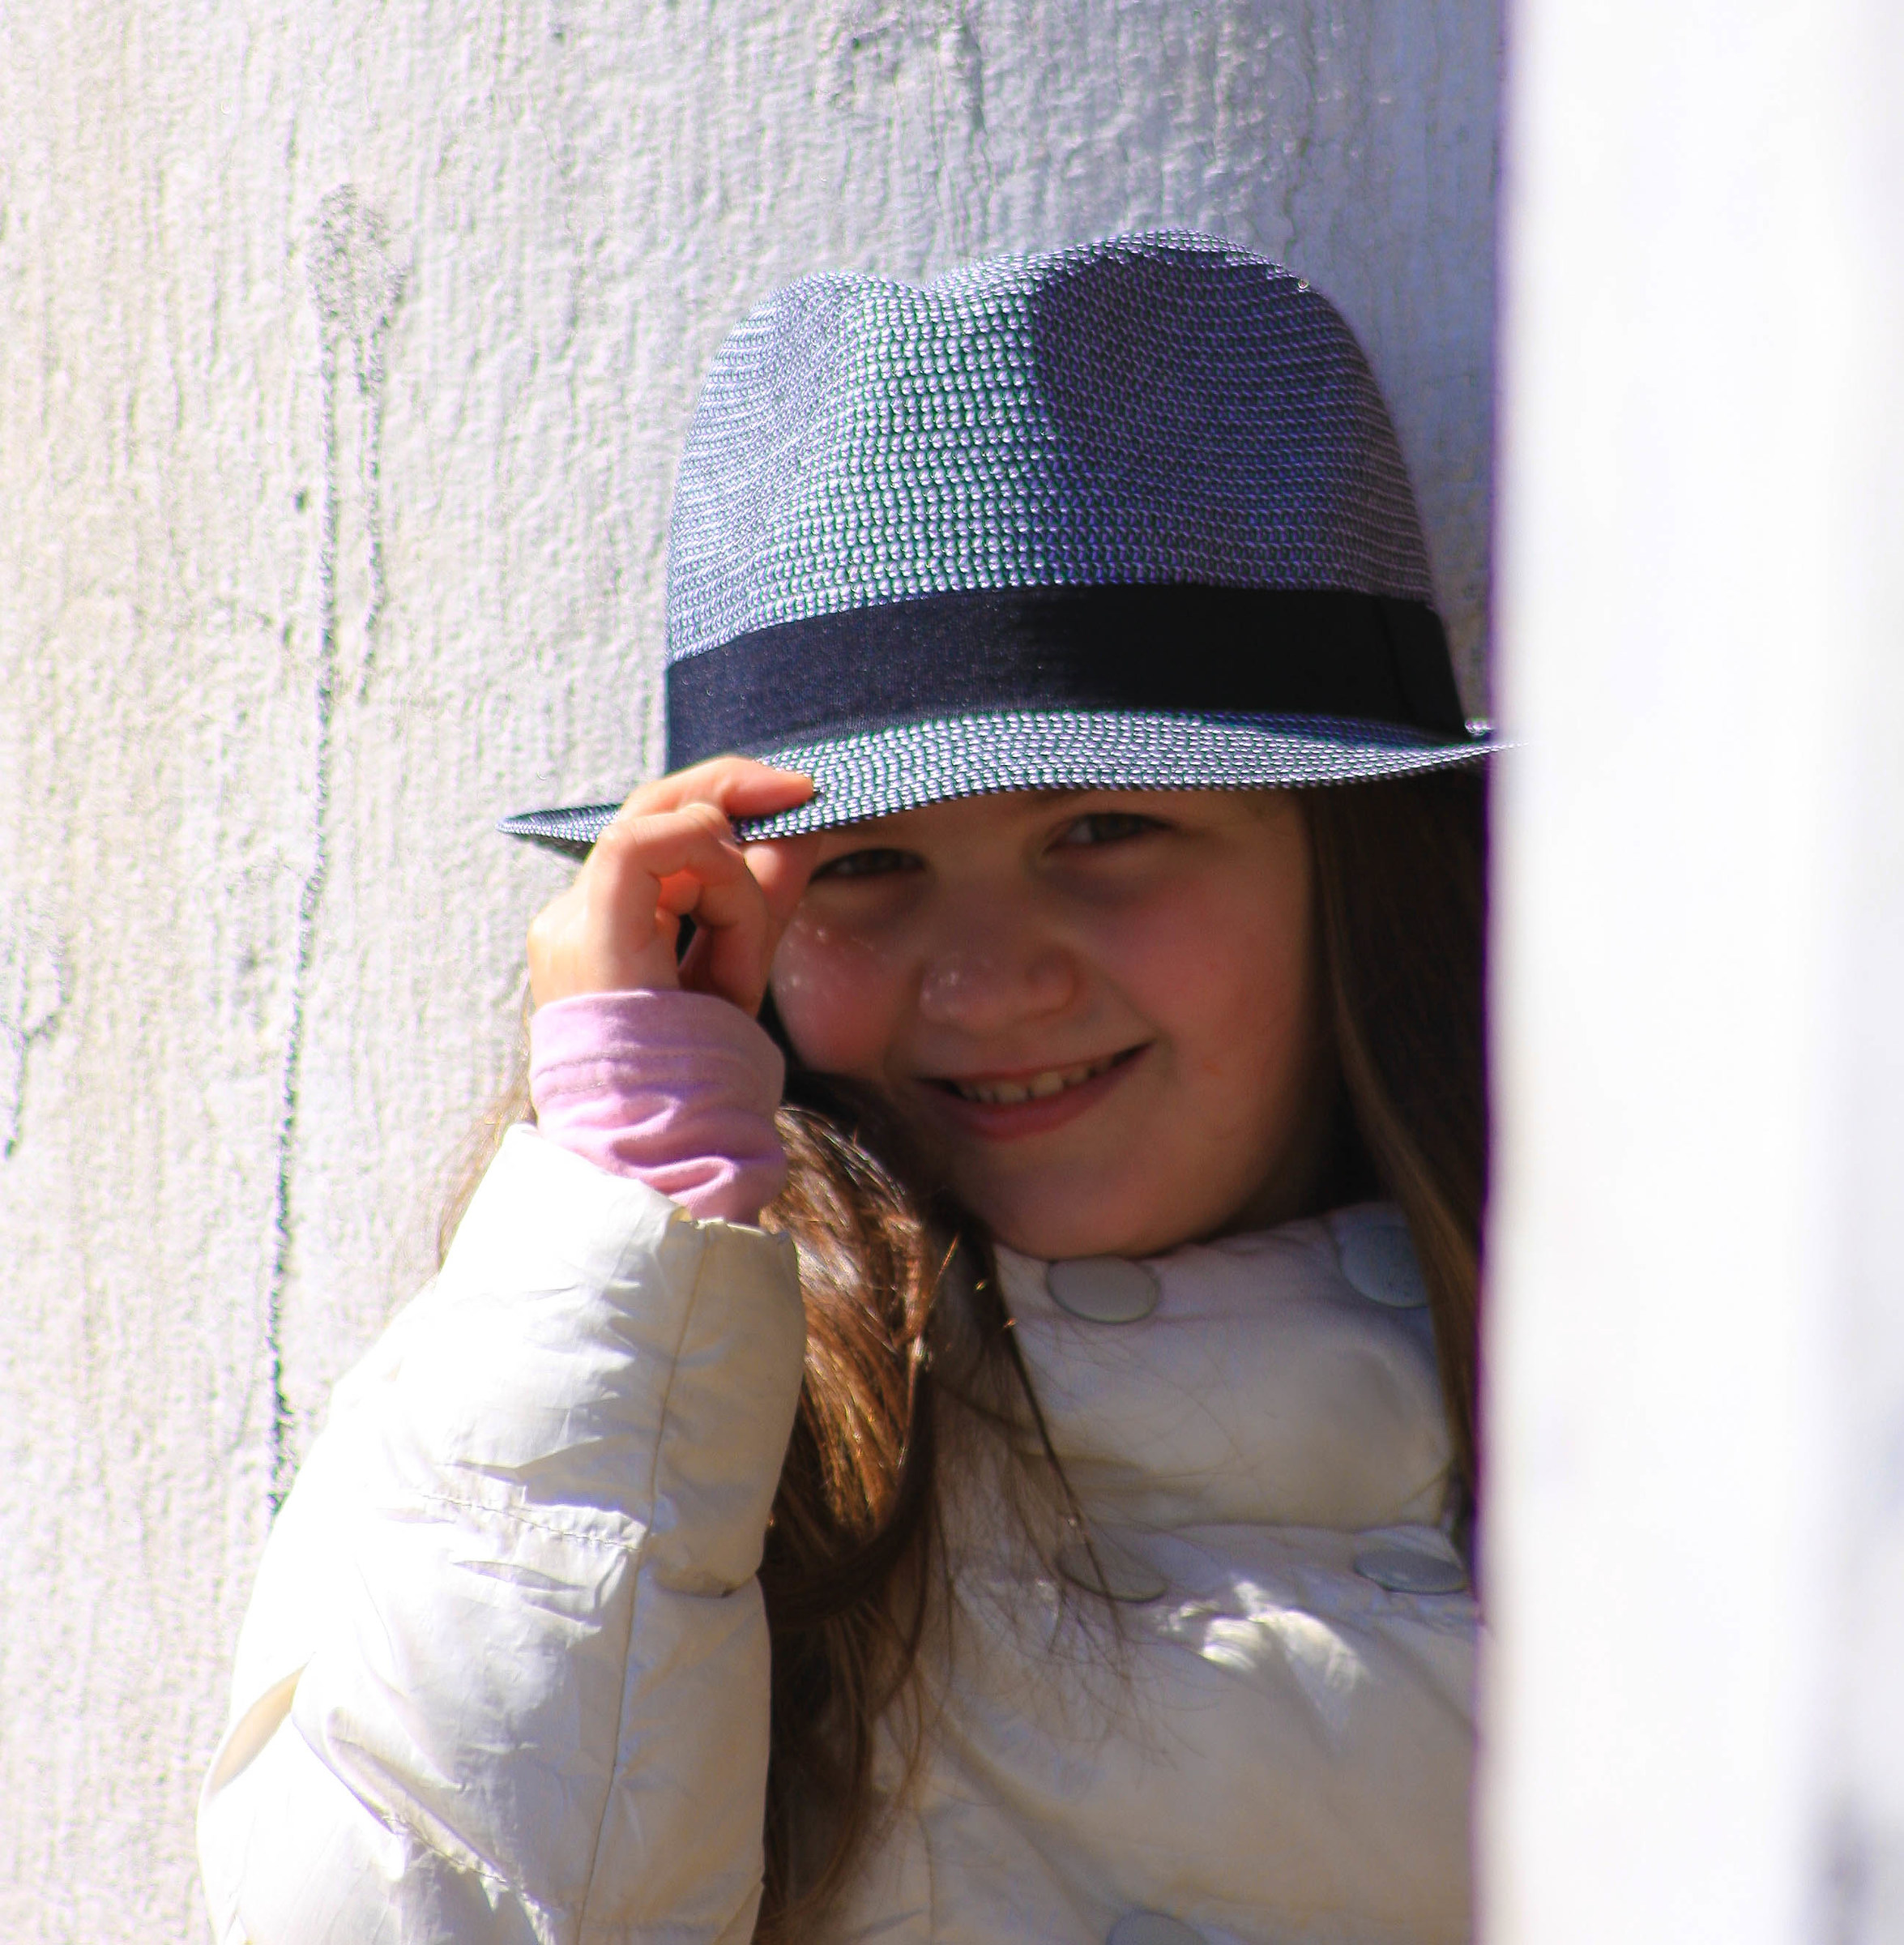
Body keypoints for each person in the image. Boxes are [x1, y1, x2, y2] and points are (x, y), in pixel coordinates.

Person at [199, 232, 1495, 1945]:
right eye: (867, 866)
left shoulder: (1687, 1391)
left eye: (1105, 828)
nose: (985, 978)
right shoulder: (614, 1402)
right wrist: (634, 1205)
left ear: (1358, 871)